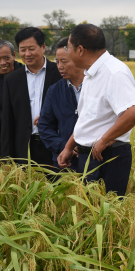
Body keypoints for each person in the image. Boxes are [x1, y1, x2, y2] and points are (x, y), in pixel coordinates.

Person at [57, 24, 135, 196]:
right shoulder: (91, 74)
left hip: (107, 156)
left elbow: (134, 112)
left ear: (80, 50)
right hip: (89, 156)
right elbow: (88, 118)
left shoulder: (114, 73)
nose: (67, 51)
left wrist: (104, 140)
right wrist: (69, 147)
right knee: (91, 212)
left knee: (107, 215)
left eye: (68, 47)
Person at [2, 27, 62, 165]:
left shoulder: (60, 74)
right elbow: (7, 120)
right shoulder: (11, 80)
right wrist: (6, 158)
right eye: (23, 49)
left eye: (31, 48)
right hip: (23, 148)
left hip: (55, 146)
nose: (27, 53)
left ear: (43, 47)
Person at [38, 37, 84, 172]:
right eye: (57, 62)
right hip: (65, 161)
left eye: (64, 61)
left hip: (95, 158)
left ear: (79, 59)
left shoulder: (95, 87)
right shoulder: (55, 90)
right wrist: (64, 146)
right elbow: (44, 125)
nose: (59, 66)